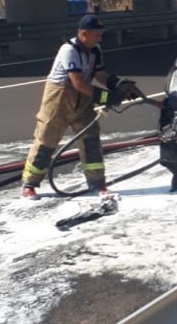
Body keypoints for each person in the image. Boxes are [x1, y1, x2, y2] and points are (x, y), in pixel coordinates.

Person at [20, 14, 137, 200]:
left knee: (90, 140)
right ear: (84, 33)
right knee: (46, 141)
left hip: (83, 101)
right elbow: (78, 83)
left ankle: (97, 183)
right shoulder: (69, 50)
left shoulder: (95, 49)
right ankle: (30, 184)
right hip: (59, 99)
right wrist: (107, 97)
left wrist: (118, 85)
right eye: (96, 34)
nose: (100, 38)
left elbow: (100, 76)